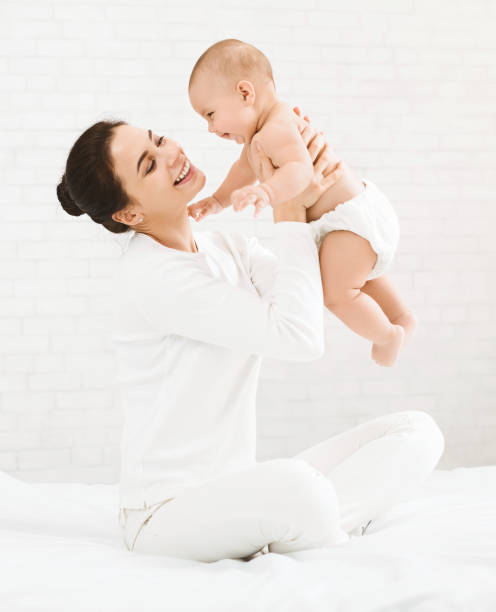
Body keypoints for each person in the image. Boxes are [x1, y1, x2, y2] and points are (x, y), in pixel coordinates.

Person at [55, 114, 445, 563]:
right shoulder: (152, 278)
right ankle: (311, 522)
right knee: (300, 488)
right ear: (129, 214)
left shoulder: (225, 248)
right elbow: (299, 338)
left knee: (417, 433)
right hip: (165, 516)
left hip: (237, 490)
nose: (170, 153)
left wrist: (322, 186)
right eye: (149, 164)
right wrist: (288, 208)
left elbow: (314, 282)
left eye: (158, 139)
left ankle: (303, 524)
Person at [188, 39, 417, 367]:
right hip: (355, 216)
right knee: (357, 275)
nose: (211, 128)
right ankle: (402, 316)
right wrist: (217, 201)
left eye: (211, 114)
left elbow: (300, 171)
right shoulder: (265, 131)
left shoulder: (275, 130)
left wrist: (267, 193)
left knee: (336, 294)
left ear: (244, 93)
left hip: (349, 222)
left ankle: (386, 335)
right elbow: (243, 169)